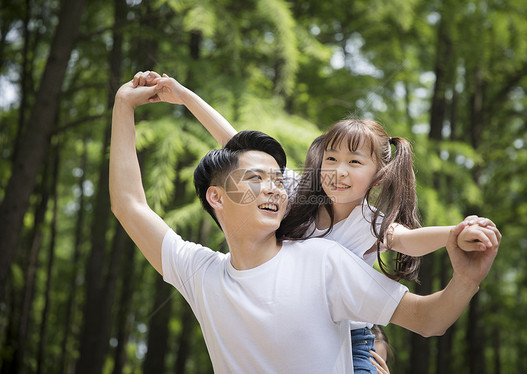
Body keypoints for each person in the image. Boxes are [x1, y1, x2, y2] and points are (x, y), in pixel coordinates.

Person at [110, 76, 501, 373]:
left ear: (377, 176)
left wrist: (455, 242)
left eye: (355, 163)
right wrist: (143, 103)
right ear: (217, 197)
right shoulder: (204, 272)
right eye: (331, 159)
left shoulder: (331, 254)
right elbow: (136, 201)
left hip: (359, 335)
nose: (274, 187)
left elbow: (412, 254)